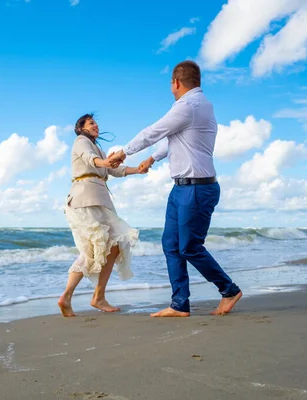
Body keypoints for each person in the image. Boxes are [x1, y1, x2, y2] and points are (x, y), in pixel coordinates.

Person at [109, 61, 242, 317]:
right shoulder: (197, 106)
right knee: (171, 244)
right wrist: (152, 159)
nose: (171, 88)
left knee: (190, 247)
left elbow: (154, 131)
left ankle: (229, 290)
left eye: (170, 83)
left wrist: (124, 152)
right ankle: (180, 303)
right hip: (182, 188)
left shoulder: (188, 106)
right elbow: (173, 138)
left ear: (176, 82)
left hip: (196, 189)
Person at [58, 113, 147, 317]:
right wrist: (105, 162)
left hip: (100, 201)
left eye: (96, 122)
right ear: (81, 128)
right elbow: (93, 161)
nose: (96, 125)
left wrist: (137, 169)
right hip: (83, 199)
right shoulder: (81, 142)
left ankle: (98, 296)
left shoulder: (97, 147)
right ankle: (68, 297)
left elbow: (112, 170)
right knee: (91, 252)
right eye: (91, 123)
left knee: (115, 245)